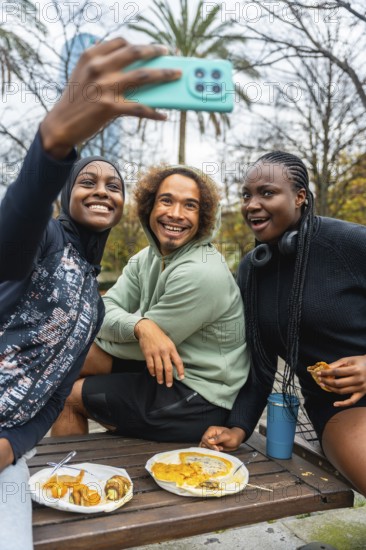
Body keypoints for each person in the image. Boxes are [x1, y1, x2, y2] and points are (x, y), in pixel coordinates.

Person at [0, 37, 182, 549]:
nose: (102, 189)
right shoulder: (46, 237)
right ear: (65, 194)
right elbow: (15, 231)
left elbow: (57, 388)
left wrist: (13, 444)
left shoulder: (94, 294)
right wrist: (53, 147)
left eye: (113, 185)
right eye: (88, 181)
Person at [200, 151, 366, 496]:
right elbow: (260, 363)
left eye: (267, 193)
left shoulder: (349, 243)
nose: (252, 204)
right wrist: (239, 426)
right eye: (247, 195)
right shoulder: (251, 270)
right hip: (342, 409)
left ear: (300, 197)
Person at [51, 164, 251, 442]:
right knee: (66, 359)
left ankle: (68, 479)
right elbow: (104, 311)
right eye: (166, 200)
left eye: (189, 205)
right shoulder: (147, 257)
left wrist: (133, 331)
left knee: (67, 396)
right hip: (161, 368)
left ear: (203, 217)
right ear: (150, 206)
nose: (175, 214)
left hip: (200, 396)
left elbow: (133, 346)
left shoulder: (201, 272)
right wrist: (142, 326)